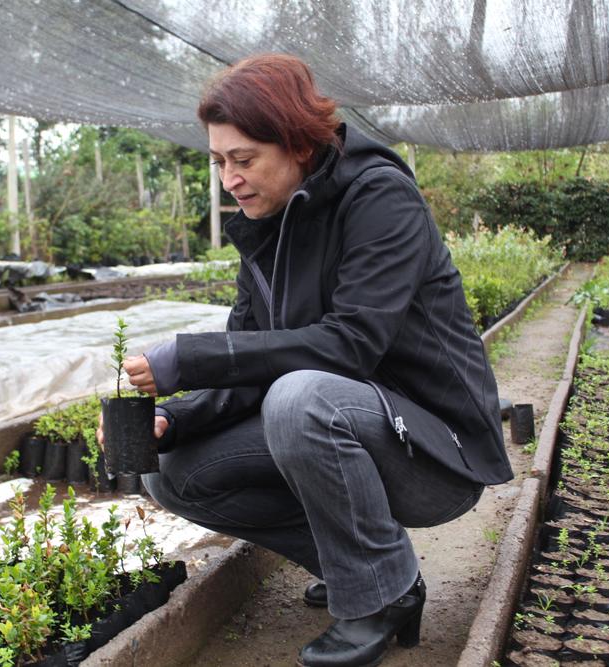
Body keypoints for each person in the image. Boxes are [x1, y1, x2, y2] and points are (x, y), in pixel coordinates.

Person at [97, 53, 513, 667]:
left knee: (300, 399)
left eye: (244, 160)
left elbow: (351, 344)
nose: (229, 180)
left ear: (297, 143)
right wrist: (175, 419)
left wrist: (191, 355)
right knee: (172, 472)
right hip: (353, 427)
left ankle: (375, 596)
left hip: (435, 453)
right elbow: (248, 364)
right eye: (219, 163)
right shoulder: (264, 227)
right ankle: (373, 574)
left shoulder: (378, 197)